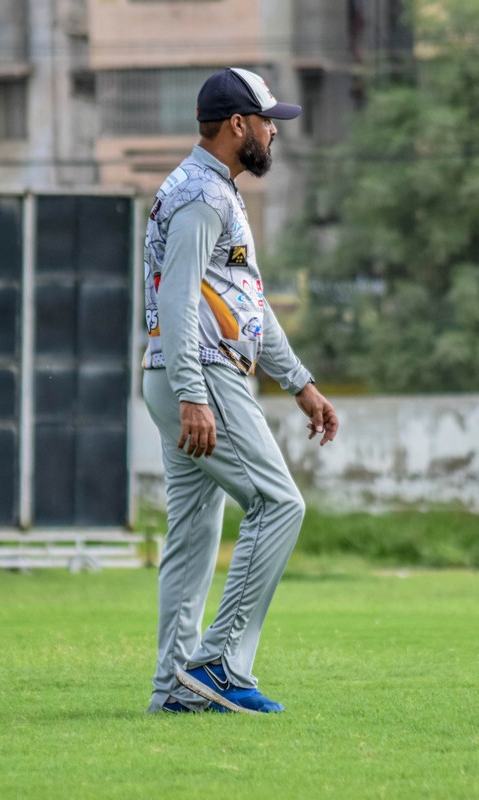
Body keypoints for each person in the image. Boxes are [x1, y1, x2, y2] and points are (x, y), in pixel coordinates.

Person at [141, 67, 340, 714]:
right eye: (267, 122)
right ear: (237, 125)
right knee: (279, 504)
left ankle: (176, 687)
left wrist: (300, 382)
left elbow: (247, 302)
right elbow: (178, 298)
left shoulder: (206, 187)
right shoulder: (204, 196)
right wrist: (194, 394)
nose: (273, 132)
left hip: (176, 373)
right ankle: (220, 665)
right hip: (202, 374)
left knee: (193, 535)